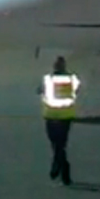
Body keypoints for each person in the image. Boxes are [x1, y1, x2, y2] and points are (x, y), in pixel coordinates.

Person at [40, 56, 80, 185]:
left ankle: (60, 169)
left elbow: (41, 90)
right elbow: (76, 90)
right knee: (61, 145)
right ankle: (61, 170)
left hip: (51, 115)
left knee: (56, 145)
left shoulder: (48, 79)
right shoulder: (72, 78)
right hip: (66, 116)